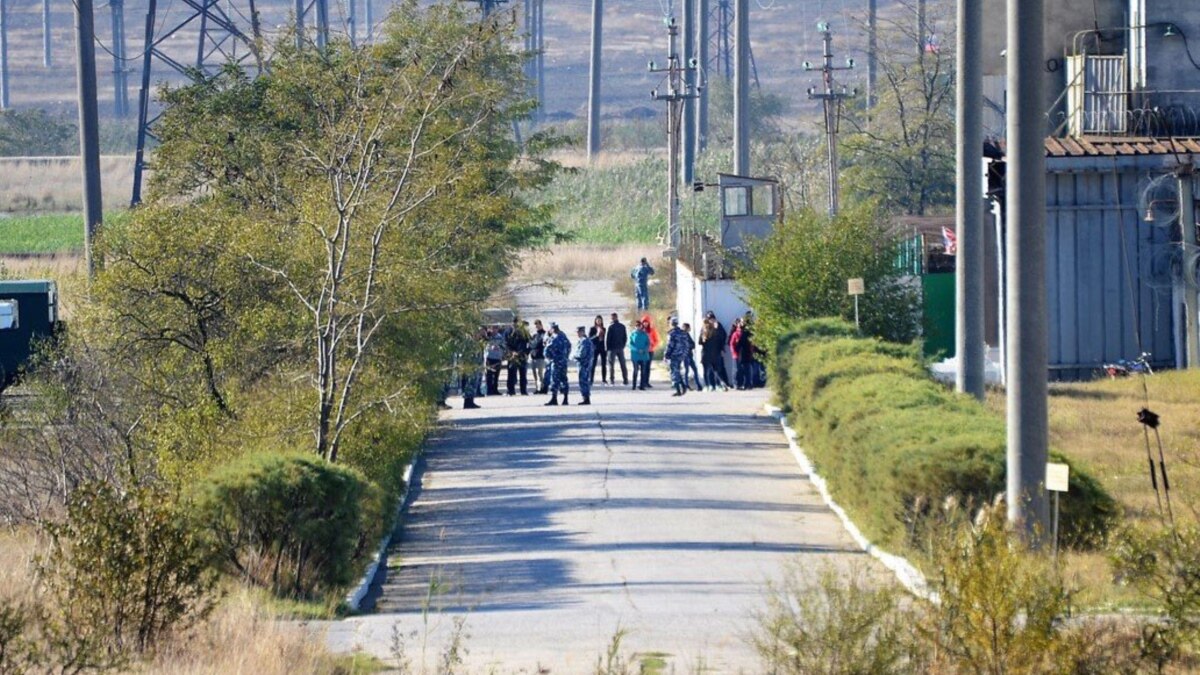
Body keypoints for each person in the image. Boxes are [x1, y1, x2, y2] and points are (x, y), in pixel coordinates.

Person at [544, 322, 571, 406]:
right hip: (563, 362)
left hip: (556, 362)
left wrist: (549, 357)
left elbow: (547, 350)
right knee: (564, 379)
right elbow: (569, 346)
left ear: (552, 329)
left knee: (554, 379)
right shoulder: (563, 336)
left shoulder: (553, 338)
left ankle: (554, 398)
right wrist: (566, 356)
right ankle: (565, 399)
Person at [699, 316, 728, 391]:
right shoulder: (715, 331)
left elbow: (700, 342)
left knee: (709, 371)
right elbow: (721, 340)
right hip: (715, 353)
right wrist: (722, 349)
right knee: (716, 370)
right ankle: (719, 384)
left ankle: (711, 385)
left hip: (707, 354)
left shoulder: (704, 332)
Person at [664, 317, 690, 396]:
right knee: (677, 370)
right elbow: (687, 344)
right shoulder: (683, 332)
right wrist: (684, 353)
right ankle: (683, 386)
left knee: (674, 372)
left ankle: (678, 389)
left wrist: (666, 355)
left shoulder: (672, 333)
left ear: (671, 323)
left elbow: (670, 345)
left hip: (674, 355)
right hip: (682, 355)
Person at [505, 318, 531, 396]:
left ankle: (523, 390)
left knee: (523, 373)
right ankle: (511, 390)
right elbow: (505, 344)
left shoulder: (524, 332)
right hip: (512, 356)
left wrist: (526, 352)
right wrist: (512, 352)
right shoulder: (508, 331)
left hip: (522, 355)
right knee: (511, 373)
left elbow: (529, 343)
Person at [572, 326, 595, 405]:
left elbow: (581, 354)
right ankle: (585, 398)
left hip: (584, 364)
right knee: (584, 381)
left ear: (583, 332)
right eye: (577, 332)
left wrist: (574, 356)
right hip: (584, 364)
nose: (577, 334)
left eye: (579, 332)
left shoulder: (584, 341)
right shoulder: (584, 340)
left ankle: (586, 398)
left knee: (583, 381)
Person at [606, 312, 629, 385]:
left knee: (612, 365)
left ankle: (613, 380)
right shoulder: (622, 326)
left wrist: (607, 348)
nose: (612, 318)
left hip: (613, 348)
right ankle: (624, 379)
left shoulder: (611, 326)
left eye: (613, 317)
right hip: (618, 347)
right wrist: (623, 345)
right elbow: (625, 338)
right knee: (622, 364)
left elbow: (607, 339)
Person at [629, 319, 651, 390]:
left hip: (644, 355)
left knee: (643, 371)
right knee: (635, 370)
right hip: (635, 355)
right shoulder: (632, 334)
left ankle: (642, 385)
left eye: (639, 325)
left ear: (641, 326)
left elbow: (648, 344)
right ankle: (634, 385)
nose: (638, 327)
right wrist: (637, 350)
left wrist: (644, 350)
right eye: (636, 326)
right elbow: (630, 344)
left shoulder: (645, 334)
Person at [681, 322, 703, 391]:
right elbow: (684, 345)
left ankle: (698, 385)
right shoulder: (682, 335)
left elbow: (693, 344)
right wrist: (689, 346)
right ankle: (686, 385)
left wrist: (690, 346)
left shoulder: (687, 334)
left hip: (690, 355)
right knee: (687, 370)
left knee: (695, 370)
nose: (689, 329)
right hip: (685, 355)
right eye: (688, 328)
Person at [483, 327, 505, 396]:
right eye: (493, 328)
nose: (494, 330)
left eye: (495, 328)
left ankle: (495, 389)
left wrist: (499, 347)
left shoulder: (500, 337)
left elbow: (504, 345)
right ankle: (489, 390)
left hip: (497, 357)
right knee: (489, 375)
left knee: (496, 375)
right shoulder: (488, 336)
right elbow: (484, 344)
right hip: (489, 357)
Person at [588, 315, 608, 385]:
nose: (599, 321)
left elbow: (606, 338)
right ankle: (591, 379)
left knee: (604, 364)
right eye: (597, 320)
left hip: (603, 348)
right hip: (595, 348)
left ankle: (604, 379)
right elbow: (589, 339)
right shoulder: (592, 329)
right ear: (595, 321)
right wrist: (596, 335)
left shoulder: (604, 329)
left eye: (600, 320)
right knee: (593, 364)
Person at [530, 319, 547, 394]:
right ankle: (537, 388)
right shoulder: (535, 335)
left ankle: (542, 388)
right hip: (533, 357)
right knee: (534, 374)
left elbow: (540, 344)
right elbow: (531, 344)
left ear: (541, 325)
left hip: (540, 356)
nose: (536, 327)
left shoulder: (544, 334)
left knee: (540, 373)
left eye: (537, 325)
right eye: (535, 325)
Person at [729, 317, 746, 389]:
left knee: (741, 369)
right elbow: (731, 344)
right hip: (736, 354)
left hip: (742, 353)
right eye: (740, 323)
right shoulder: (735, 334)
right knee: (736, 369)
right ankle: (735, 383)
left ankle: (741, 383)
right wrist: (734, 353)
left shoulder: (744, 333)